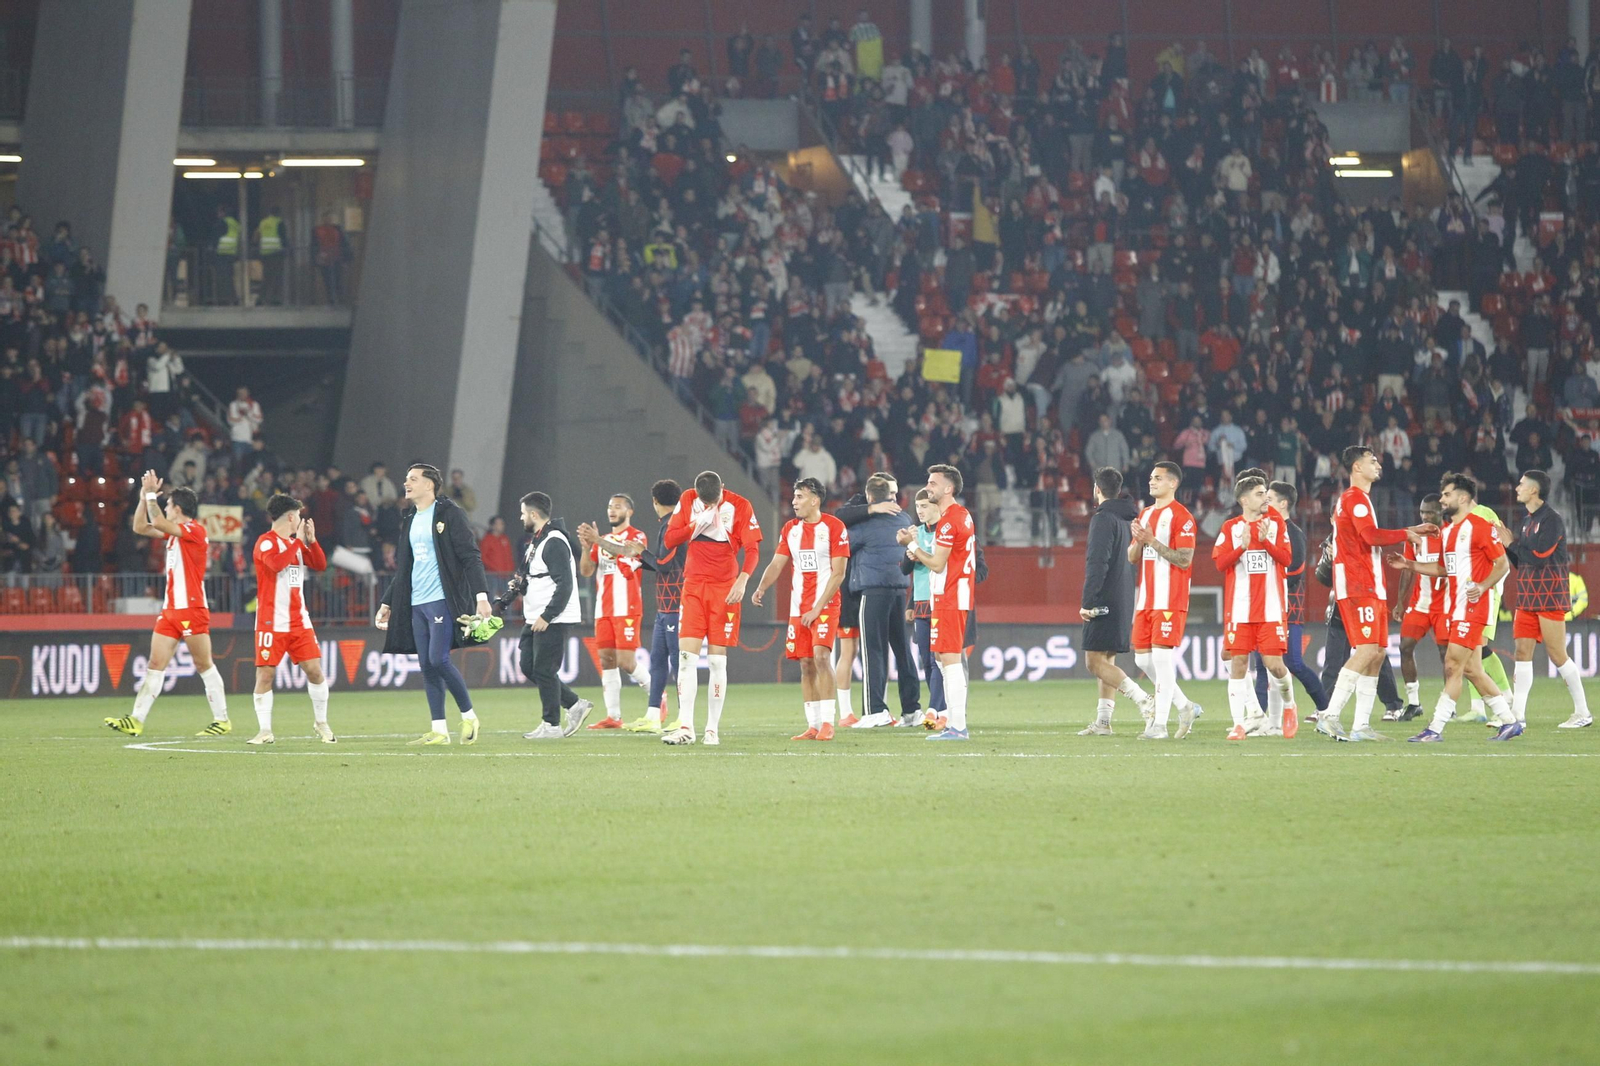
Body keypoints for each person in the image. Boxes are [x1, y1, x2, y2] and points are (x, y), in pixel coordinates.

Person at [1317, 446, 1435, 741]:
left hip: (1370, 584)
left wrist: (1411, 530)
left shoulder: (1359, 500)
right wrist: (1408, 532)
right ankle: (1330, 715)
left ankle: (1361, 725)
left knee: (1378, 652)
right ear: (1357, 467)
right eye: (1372, 461)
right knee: (1367, 649)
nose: (1377, 464)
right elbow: (1370, 535)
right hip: (1358, 585)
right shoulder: (1355, 499)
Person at [373, 463, 493, 745]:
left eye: (413, 479)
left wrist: (481, 596)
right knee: (427, 665)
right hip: (417, 602)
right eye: (406, 478)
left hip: (442, 600)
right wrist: (387, 601)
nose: (406, 483)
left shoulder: (450, 513)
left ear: (430, 485)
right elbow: (405, 568)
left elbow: (471, 556)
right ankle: (439, 729)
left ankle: (469, 716)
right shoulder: (411, 518)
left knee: (439, 659)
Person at [104, 473, 230, 738]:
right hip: (170, 610)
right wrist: (142, 498)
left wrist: (151, 494)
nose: (165, 508)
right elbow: (140, 527)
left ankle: (222, 720)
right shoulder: (174, 536)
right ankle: (136, 720)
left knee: (203, 663)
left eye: (168, 504)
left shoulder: (194, 531)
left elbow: (157, 521)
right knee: (155, 663)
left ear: (179, 509)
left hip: (191, 609)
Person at [1392, 473, 1513, 742]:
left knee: (1452, 665)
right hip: (1454, 609)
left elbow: (1502, 564)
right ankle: (1509, 720)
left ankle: (1434, 728)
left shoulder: (1481, 526)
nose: (1442, 500)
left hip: (1472, 609)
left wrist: (1481, 587)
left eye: (1446, 495)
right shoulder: (1448, 532)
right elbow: (1444, 569)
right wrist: (1409, 565)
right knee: (1471, 670)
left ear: (1463, 497)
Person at [661, 470, 763, 746]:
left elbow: (753, 549)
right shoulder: (687, 499)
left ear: (722, 490)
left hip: (725, 589)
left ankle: (712, 730)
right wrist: (695, 524)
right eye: (705, 503)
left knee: (717, 661)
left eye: (713, 502)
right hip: (694, 586)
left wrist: (743, 581)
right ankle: (686, 727)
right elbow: (670, 540)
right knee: (686, 659)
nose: (709, 506)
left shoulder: (739, 505)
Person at [752, 478, 851, 741]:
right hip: (799, 609)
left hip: (826, 604)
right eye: (794, 497)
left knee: (821, 657)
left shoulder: (834, 527)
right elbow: (776, 563)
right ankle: (813, 725)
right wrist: (761, 587)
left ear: (815, 499)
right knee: (806, 664)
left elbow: (839, 573)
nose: (793, 502)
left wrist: (818, 608)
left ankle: (829, 723)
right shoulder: (790, 529)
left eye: (799, 497)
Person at [1500, 470, 1592, 731]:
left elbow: (1540, 556)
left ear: (1534, 490)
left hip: (1550, 595)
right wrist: (1509, 546)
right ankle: (1517, 716)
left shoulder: (1552, 520)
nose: (1516, 487)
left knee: (1557, 654)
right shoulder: (1527, 521)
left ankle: (1583, 712)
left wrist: (1512, 543)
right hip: (1527, 597)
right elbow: (1522, 562)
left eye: (1521, 484)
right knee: (1521, 653)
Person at [501, 492, 592, 739]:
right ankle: (574, 704)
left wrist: (547, 616)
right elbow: (523, 578)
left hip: (552, 617)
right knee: (529, 666)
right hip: (535, 616)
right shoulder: (538, 541)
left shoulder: (553, 541)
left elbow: (566, 584)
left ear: (533, 514)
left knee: (543, 668)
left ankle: (551, 725)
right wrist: (501, 604)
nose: (521, 518)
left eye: (522, 513)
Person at [1212, 475, 1297, 740]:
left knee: (1274, 665)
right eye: (1260, 494)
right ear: (1244, 500)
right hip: (1240, 610)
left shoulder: (1276, 525)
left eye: (1266, 494)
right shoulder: (1230, 528)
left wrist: (1266, 542)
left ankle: (1290, 706)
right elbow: (1220, 564)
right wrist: (1242, 546)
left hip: (1270, 609)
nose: (1266, 499)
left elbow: (1287, 559)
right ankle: (1239, 723)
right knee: (1238, 663)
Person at [896, 464, 977, 740]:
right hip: (953, 595)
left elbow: (937, 563)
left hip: (950, 597)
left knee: (950, 660)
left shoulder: (949, 521)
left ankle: (958, 726)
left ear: (948, 488)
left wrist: (911, 545)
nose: (928, 486)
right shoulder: (962, 515)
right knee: (943, 658)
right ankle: (953, 721)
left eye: (933, 483)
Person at [248, 493, 335, 745]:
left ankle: (321, 723)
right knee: (265, 675)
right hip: (270, 622)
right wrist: (298, 541)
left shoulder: (294, 545)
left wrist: (312, 541)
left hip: (299, 621)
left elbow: (319, 564)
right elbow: (275, 565)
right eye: (298, 515)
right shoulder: (266, 542)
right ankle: (265, 731)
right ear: (290, 516)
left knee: (315, 671)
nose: (300, 519)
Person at [1076, 467, 1155, 735]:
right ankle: (1103, 722)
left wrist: (1088, 600)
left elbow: (1096, 562)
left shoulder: (1103, 518)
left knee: (1094, 662)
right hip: (1123, 594)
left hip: (1104, 597)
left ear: (1097, 490)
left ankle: (1144, 701)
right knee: (1106, 660)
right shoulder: (1126, 519)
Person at [1128, 461, 1204, 739]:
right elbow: (1132, 557)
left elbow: (1185, 559)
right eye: (1151, 477)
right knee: (1142, 661)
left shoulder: (1182, 517)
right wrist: (1139, 541)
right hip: (1146, 598)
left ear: (1173, 483)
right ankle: (1185, 706)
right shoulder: (1145, 513)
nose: (1152, 482)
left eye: (1158, 478)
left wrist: (1152, 541)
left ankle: (1159, 725)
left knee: (1161, 658)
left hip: (1170, 598)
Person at [843, 473, 920, 728]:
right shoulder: (904, 518)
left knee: (872, 651)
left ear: (868, 497)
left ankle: (876, 710)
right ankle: (911, 711)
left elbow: (841, 540)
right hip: (899, 589)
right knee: (902, 650)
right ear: (890, 497)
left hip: (873, 590)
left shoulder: (863, 524)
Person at [1252, 482, 1328, 723]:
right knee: (1262, 665)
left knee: (1293, 662)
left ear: (1283, 503)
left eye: (1270, 498)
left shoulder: (1293, 532)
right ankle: (1260, 718)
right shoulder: (1266, 527)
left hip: (1289, 607)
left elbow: (1295, 572)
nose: (1266, 501)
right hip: (1264, 608)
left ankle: (1325, 709)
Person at [576, 494, 653, 729]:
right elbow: (587, 571)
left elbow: (630, 553)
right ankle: (614, 716)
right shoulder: (603, 540)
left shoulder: (637, 536)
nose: (612, 510)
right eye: (610, 506)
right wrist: (586, 547)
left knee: (626, 661)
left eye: (617, 507)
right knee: (607, 660)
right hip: (604, 608)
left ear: (629, 512)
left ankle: (659, 698)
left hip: (627, 606)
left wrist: (597, 540)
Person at [1390, 495, 1447, 722]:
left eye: (1429, 512)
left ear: (1440, 513)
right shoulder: (1414, 538)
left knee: (1446, 654)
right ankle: (1414, 703)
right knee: (1405, 646)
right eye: (1422, 512)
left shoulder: (1450, 535)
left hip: (1445, 604)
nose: (1424, 517)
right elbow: (1407, 570)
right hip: (1420, 603)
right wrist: (1400, 602)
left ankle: (1447, 703)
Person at [901, 489, 941, 728]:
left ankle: (935, 710)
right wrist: (912, 546)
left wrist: (917, 549)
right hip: (921, 603)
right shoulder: (916, 533)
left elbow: (937, 563)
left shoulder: (944, 532)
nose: (920, 511)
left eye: (925, 506)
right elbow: (905, 569)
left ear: (936, 506)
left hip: (940, 602)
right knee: (926, 660)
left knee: (939, 660)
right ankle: (939, 707)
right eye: (918, 507)